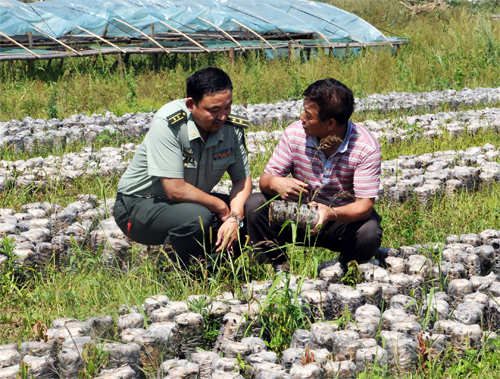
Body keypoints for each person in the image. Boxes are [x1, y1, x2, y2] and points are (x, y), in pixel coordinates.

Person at [114, 67, 252, 266]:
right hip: (139, 205)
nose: (222, 116)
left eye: (227, 107)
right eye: (214, 110)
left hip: (189, 204)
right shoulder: (169, 123)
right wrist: (222, 207)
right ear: (191, 104)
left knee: (252, 209)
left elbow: (242, 180)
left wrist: (234, 218)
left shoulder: (231, 127)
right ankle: (168, 272)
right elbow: (175, 190)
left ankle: (206, 271)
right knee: (198, 218)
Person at [244, 78, 383, 270]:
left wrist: (330, 213)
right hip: (297, 215)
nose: (302, 118)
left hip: (340, 220)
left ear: (330, 124)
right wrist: (277, 183)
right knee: (254, 204)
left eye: (308, 115)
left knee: (369, 232)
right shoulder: (295, 134)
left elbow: (364, 206)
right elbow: (265, 180)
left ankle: (342, 268)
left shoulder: (365, 147)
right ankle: (277, 267)